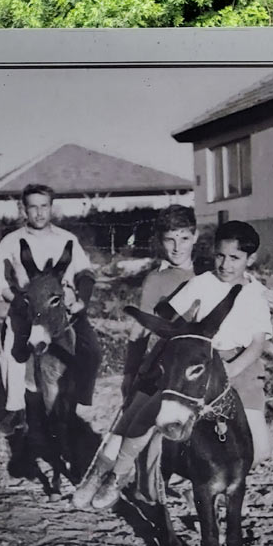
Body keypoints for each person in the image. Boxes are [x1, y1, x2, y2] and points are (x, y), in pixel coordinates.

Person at [77, 219, 273, 512]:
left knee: (259, 450)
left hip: (239, 369)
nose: (226, 264)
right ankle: (117, 475)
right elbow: (169, 318)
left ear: (250, 259)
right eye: (220, 255)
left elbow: (258, 343)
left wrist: (230, 371)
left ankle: (211, 481)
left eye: (235, 258)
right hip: (196, 362)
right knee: (150, 416)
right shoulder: (201, 283)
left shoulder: (257, 293)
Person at [73, 205, 198, 511]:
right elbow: (139, 329)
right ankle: (98, 475)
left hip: (189, 375)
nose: (177, 246)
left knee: (146, 420)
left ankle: (117, 476)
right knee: (129, 416)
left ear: (195, 237)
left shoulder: (206, 276)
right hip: (158, 365)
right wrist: (130, 372)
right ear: (160, 241)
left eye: (184, 238)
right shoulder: (156, 279)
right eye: (170, 239)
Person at [0, 183, 98, 436]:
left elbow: (86, 272)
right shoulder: (12, 241)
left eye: (44, 206)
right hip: (25, 310)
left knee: (91, 350)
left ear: (51, 207)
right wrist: (17, 300)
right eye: (33, 207)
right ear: (24, 209)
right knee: (11, 355)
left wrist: (81, 299)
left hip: (60, 312)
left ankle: (77, 402)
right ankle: (16, 410)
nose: (39, 213)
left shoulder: (67, 239)